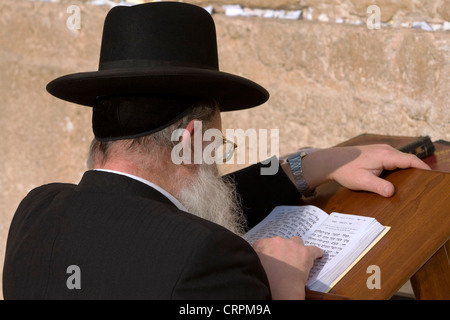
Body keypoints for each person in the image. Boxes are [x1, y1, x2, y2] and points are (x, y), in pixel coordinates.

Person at [2, 2, 429, 300]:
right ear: (190, 139)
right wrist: (281, 288)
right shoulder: (206, 259)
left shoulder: (36, 212)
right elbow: (180, 234)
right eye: (216, 145)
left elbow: (155, 213)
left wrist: (306, 166)